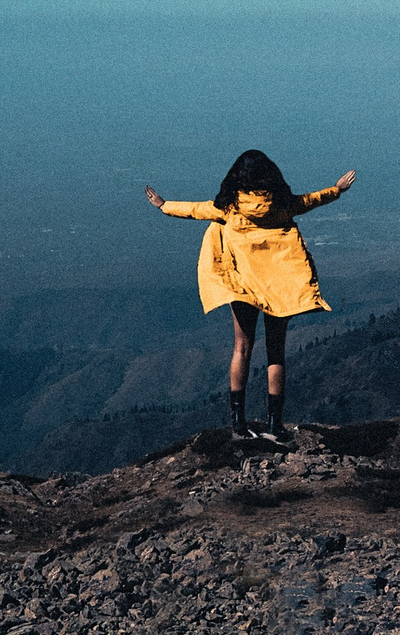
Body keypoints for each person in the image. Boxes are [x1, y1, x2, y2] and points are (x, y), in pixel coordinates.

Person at [145, 149, 355, 441]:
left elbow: (196, 209)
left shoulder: (228, 208)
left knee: (241, 348)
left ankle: (238, 424)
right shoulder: (281, 205)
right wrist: (337, 190)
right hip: (279, 288)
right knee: (276, 352)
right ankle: (274, 425)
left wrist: (164, 205)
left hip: (242, 288)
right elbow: (309, 201)